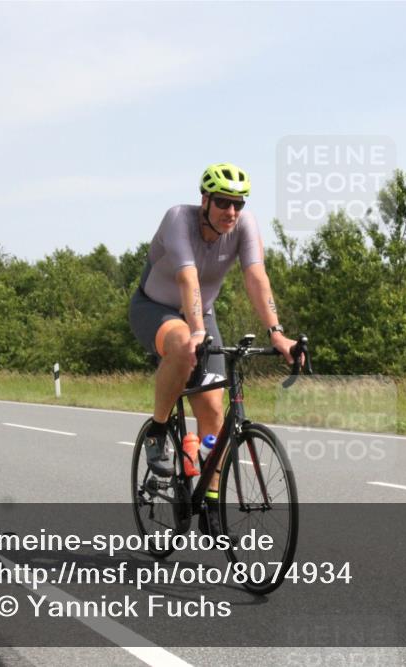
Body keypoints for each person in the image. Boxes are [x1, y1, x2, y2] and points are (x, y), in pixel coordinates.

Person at [128, 162, 300, 507]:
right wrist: (196, 332)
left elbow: (256, 277)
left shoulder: (244, 226)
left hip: (201, 315)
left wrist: (277, 334)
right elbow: (187, 279)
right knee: (181, 346)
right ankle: (158, 432)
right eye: (223, 201)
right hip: (155, 307)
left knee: (213, 412)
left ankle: (209, 497)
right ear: (204, 200)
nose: (231, 211)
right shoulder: (179, 219)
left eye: (239, 203)